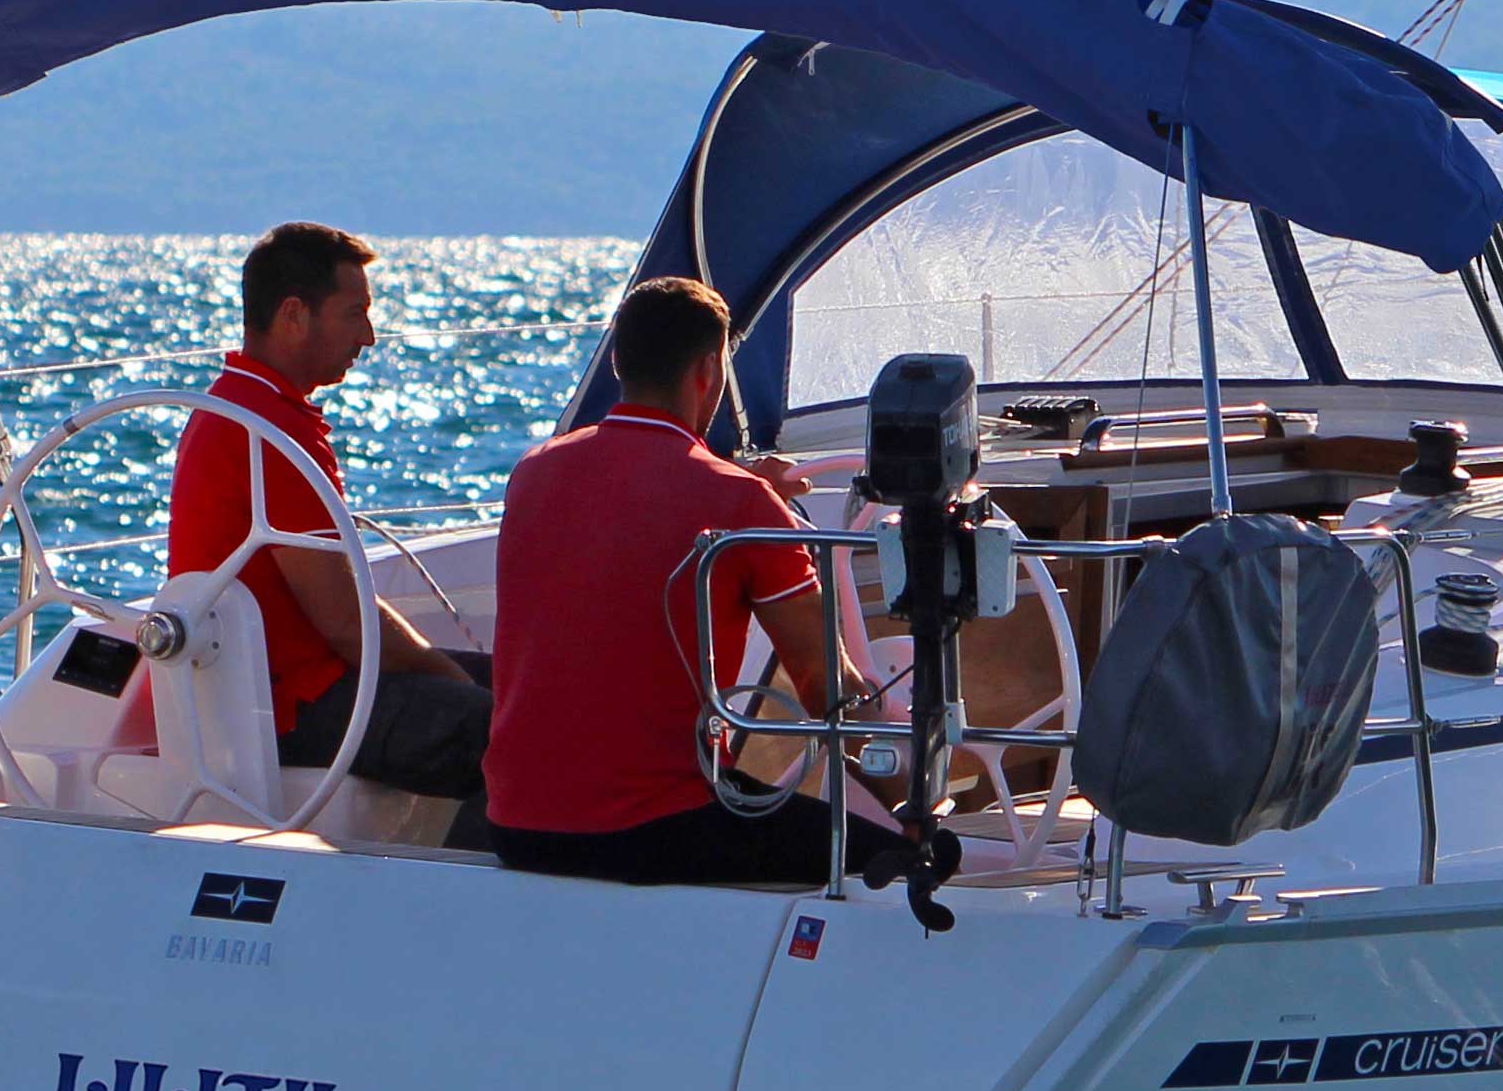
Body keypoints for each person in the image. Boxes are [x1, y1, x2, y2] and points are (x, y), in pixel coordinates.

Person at [484, 274, 952, 905]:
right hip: (652, 828)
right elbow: (825, 688)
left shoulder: (533, 474)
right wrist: (913, 805)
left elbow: (633, 503)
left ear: (619, 360)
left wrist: (742, 488)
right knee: (896, 862)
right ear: (709, 369)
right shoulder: (739, 503)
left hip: (517, 824)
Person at [164, 221, 494, 838]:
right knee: (511, 735)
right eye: (354, 314)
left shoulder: (232, 404)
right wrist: (446, 675)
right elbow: (345, 625)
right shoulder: (272, 430)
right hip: (295, 708)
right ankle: (478, 893)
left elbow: (344, 614)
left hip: (252, 693)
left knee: (522, 688)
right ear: (294, 314)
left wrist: (445, 670)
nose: (368, 336)